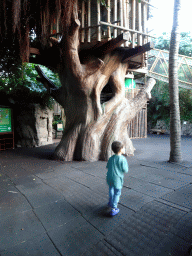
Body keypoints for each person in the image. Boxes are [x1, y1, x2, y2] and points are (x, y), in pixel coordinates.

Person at [106, 141, 129, 216]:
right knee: (117, 193)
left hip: (109, 177)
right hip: (117, 179)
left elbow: (108, 166)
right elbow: (125, 170)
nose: (124, 149)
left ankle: (110, 202)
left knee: (111, 189)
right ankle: (114, 208)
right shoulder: (122, 159)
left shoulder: (111, 158)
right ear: (120, 149)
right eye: (123, 148)